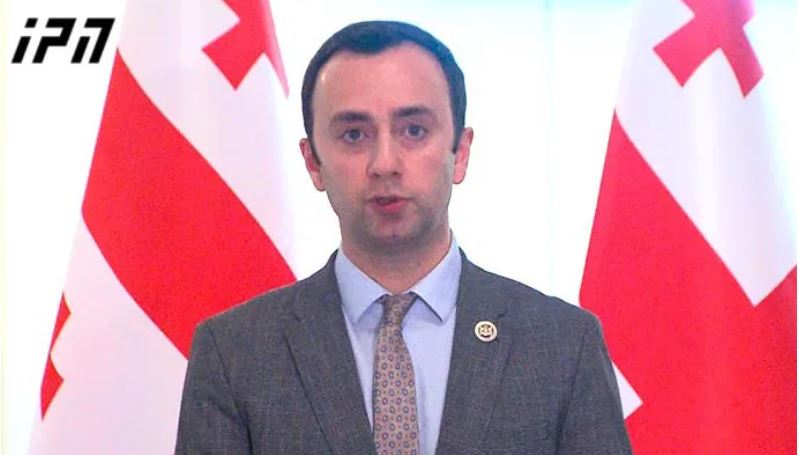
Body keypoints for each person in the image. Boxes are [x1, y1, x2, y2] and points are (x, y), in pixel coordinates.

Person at [175, 20, 632, 455]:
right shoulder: (236, 353)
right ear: (313, 163)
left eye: (414, 131)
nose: (385, 163)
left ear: (460, 153)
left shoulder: (562, 345)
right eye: (354, 135)